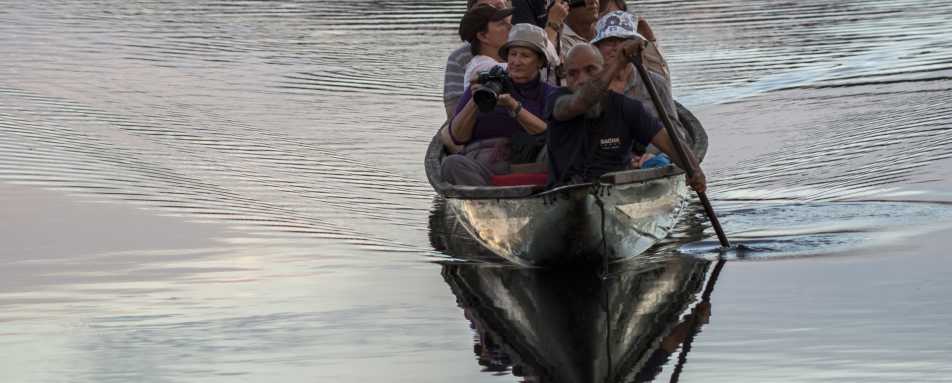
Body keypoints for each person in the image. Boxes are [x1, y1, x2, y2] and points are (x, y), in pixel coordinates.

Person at [544, 43, 706, 191]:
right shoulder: (558, 101)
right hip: (564, 192)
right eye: (573, 74)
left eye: (590, 70)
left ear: (603, 70)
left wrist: (694, 170)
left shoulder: (627, 107)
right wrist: (618, 62)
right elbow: (583, 102)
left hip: (617, 194)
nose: (582, 80)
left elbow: (669, 143)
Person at [441, 23, 559, 186]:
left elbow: (551, 133)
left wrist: (514, 107)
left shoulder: (549, 93)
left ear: (539, 61)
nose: (516, 62)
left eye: (525, 56)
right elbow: (457, 136)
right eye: (513, 54)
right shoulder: (485, 86)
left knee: (557, 150)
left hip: (530, 165)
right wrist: (475, 102)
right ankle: (486, 200)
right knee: (451, 164)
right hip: (482, 166)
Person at [591, 11, 682, 167]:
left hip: (650, 156)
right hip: (604, 160)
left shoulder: (655, 83)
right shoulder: (591, 87)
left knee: (659, 162)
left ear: (636, 46)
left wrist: (652, 153)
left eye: (622, 41)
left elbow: (676, 131)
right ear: (598, 47)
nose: (615, 48)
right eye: (609, 42)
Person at [443, 0, 510, 121]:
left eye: (500, 7)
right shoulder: (477, 64)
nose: (510, 26)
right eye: (501, 23)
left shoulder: (516, 47)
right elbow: (454, 114)